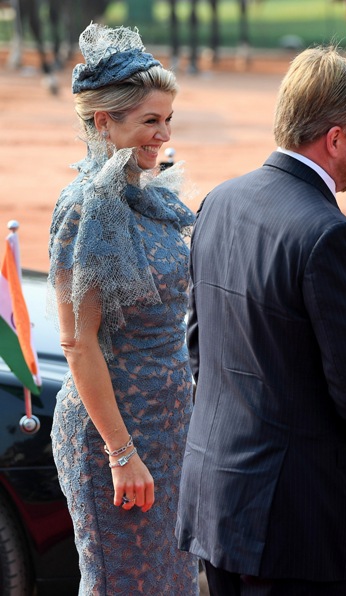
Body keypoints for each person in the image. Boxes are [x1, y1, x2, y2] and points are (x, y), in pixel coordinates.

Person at [176, 46, 346, 596]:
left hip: (219, 498)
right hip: (296, 522)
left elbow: (199, 344)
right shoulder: (331, 235)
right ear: (335, 139)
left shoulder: (219, 201)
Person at [48, 23, 198, 594]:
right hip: (112, 436)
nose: (162, 135)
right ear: (103, 122)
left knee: (174, 579)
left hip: (169, 426)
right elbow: (78, 342)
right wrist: (120, 452)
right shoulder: (84, 208)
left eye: (166, 120)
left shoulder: (152, 193)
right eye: (149, 121)